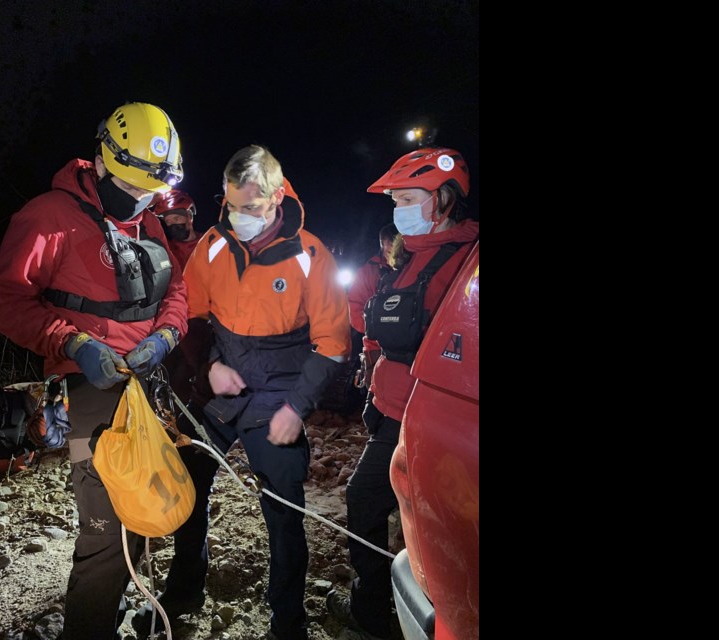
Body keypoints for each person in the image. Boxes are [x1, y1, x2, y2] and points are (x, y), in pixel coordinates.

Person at [133, 144, 351, 640]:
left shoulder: (310, 254)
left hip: (281, 389)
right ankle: (184, 593)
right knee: (188, 486)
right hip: (222, 385)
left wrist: (298, 407)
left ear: (276, 198)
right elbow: (191, 315)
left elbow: (334, 343)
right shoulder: (213, 243)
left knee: (283, 508)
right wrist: (209, 366)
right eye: (230, 205)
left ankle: (287, 622)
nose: (238, 217)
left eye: (249, 208)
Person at [0, 102, 190, 640]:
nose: (142, 201)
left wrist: (168, 334)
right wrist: (74, 343)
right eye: (132, 188)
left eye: (151, 190)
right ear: (103, 163)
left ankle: (134, 603)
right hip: (89, 397)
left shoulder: (146, 216)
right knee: (105, 532)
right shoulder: (47, 219)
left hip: (146, 388)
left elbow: (176, 288)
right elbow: (9, 299)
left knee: (147, 509)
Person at [326, 147, 480, 640]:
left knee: (371, 500)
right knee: (397, 509)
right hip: (389, 409)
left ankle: (380, 611)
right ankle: (401, 597)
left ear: (444, 200)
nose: (398, 209)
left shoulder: (464, 261)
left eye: (408, 198)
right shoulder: (410, 257)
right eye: (395, 200)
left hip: (424, 418)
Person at [347, 222, 397, 389]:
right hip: (375, 346)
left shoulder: (415, 267)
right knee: (376, 389)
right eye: (386, 244)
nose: (389, 248)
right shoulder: (369, 271)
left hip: (408, 348)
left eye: (393, 243)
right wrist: (374, 329)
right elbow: (354, 306)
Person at [152, 188, 202, 270]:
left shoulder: (208, 242)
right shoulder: (167, 250)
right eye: (168, 221)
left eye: (177, 218)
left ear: (189, 217)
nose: (173, 225)